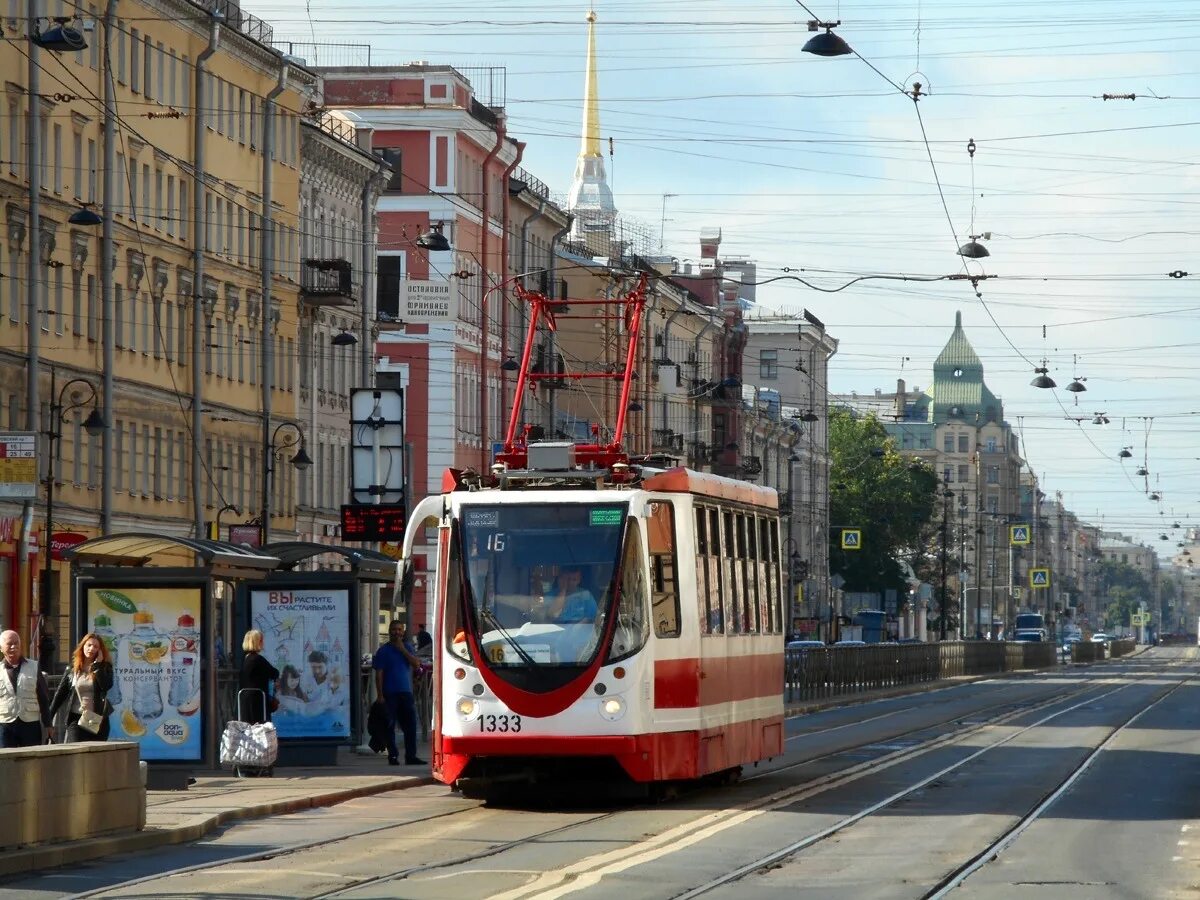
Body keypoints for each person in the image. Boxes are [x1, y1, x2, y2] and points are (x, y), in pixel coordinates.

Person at [373, 620, 425, 766]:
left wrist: (402, 649)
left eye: (399, 629)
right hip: (389, 694)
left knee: (410, 726)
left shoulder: (408, 647)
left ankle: (411, 756)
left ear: (403, 632)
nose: (397, 632)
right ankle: (393, 756)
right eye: (394, 629)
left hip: (405, 693)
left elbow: (416, 664)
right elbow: (379, 674)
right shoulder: (383, 651)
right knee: (389, 726)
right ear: (389, 631)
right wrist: (380, 695)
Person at [48, 632, 114, 743]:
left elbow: (106, 686)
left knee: (96, 755)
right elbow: (60, 694)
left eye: (95, 646)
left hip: (97, 720)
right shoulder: (73, 669)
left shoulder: (105, 667)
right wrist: (48, 718)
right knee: (76, 753)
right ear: (83, 646)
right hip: (76, 719)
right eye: (89, 645)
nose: (91, 648)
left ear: (100, 650)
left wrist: (97, 666)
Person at [0, 629, 52, 747]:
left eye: (16, 643)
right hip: (5, 725)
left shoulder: (34, 666)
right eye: (9, 644)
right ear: (1, 648)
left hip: (30, 724)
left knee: (31, 761)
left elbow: (43, 697)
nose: (14, 647)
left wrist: (48, 724)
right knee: (5, 762)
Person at [239, 629, 279, 725]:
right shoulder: (257, 659)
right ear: (257, 642)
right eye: (261, 640)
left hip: (245, 700)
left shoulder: (245, 659)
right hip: (258, 701)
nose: (263, 643)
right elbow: (274, 673)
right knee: (261, 730)